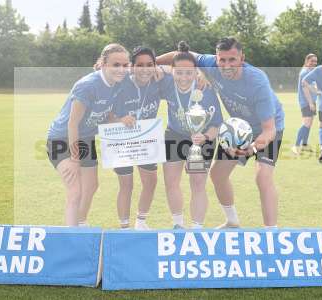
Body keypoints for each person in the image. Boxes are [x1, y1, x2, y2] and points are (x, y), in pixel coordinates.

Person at [157, 37, 285, 228]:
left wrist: (250, 149)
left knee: (263, 177)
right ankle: (232, 221)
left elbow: (269, 130)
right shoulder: (209, 64)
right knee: (217, 174)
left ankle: (271, 233)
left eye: (232, 60)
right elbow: (181, 55)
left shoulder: (257, 81)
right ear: (216, 59)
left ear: (242, 58)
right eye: (221, 60)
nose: (226, 65)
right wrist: (151, 63)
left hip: (268, 129)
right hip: (238, 128)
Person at [46, 43, 129, 226]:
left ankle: (81, 224)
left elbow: (103, 114)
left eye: (125, 65)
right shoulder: (88, 85)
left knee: (91, 186)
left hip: (85, 138)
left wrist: (121, 120)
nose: (122, 69)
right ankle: (71, 238)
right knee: (75, 191)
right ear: (103, 63)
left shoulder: (118, 83)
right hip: (62, 138)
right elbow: (72, 123)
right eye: (116, 64)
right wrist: (75, 160)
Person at [161, 42, 223, 229]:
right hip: (174, 135)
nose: (184, 77)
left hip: (202, 140)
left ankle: (197, 228)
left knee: (197, 182)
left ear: (196, 71)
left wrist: (205, 138)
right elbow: (143, 70)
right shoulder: (165, 82)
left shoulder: (206, 88)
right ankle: (178, 225)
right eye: (179, 72)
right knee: (171, 182)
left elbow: (217, 124)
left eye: (189, 72)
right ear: (171, 71)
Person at [112, 46, 164, 230]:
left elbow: (181, 68)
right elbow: (105, 112)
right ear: (132, 67)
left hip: (147, 139)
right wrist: (119, 119)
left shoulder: (159, 80)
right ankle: (124, 227)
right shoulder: (121, 81)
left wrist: (200, 75)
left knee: (151, 182)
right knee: (126, 184)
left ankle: (141, 222)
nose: (145, 69)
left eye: (150, 64)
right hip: (122, 139)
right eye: (140, 65)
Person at [292, 53, 318, 155]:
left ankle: (304, 145)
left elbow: (313, 87)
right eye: (312, 61)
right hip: (307, 102)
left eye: (315, 61)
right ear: (306, 61)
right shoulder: (304, 72)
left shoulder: (311, 71)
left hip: (312, 101)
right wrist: (310, 103)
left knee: (309, 124)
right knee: (306, 123)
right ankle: (296, 145)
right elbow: (305, 89)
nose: (314, 63)